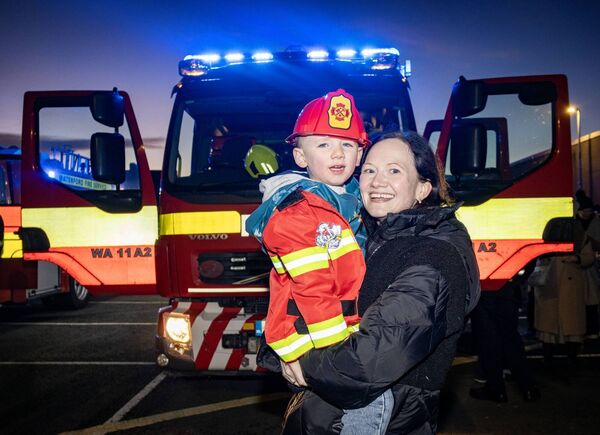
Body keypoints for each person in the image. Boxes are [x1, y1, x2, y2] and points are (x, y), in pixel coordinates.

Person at [282, 131, 480, 434]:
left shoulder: (434, 256)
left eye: (394, 171)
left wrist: (303, 366)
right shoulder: (373, 240)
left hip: (384, 421)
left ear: (423, 188)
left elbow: (372, 356)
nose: (376, 182)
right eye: (370, 170)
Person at [246, 89, 394, 434]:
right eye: (323, 145)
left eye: (348, 144)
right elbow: (313, 288)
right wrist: (338, 354)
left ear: (360, 154)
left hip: (341, 332)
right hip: (315, 339)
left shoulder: (354, 199)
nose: (338, 154)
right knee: (330, 420)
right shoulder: (298, 210)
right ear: (300, 156)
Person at [535, 193, 599, 364]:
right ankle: (556, 354)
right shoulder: (550, 227)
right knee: (553, 321)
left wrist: (577, 259)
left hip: (566, 279)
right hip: (554, 279)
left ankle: (569, 354)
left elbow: (589, 256)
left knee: (568, 321)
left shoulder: (576, 231)